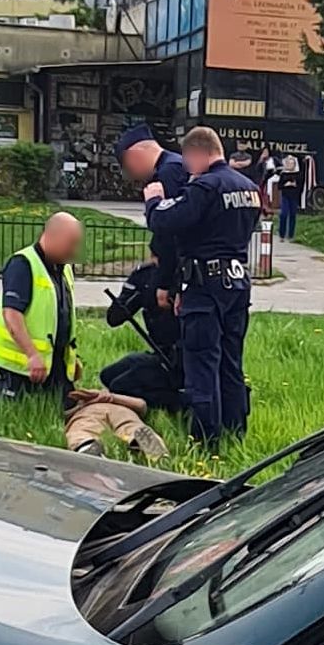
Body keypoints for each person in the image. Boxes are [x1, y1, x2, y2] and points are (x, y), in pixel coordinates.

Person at [144, 126, 261, 445]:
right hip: (237, 284)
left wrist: (154, 202)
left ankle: (206, 441)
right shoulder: (250, 188)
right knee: (231, 363)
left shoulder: (206, 187)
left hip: (205, 288)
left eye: (187, 162)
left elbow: (167, 223)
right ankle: (236, 434)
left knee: (202, 365)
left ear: (196, 153)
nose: (186, 169)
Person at [0, 212, 84, 402]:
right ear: (52, 236)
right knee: (21, 406)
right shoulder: (23, 264)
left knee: (67, 404)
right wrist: (32, 355)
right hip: (22, 363)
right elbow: (11, 314)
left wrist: (72, 359)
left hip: (53, 363)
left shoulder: (64, 268)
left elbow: (61, 318)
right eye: (71, 243)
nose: (74, 251)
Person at [116, 125, 191, 314]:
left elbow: (168, 230)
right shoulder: (174, 165)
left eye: (127, 167)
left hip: (176, 270)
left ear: (134, 154)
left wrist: (164, 283)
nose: (131, 175)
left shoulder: (168, 173)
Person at [101, 258, 184, 412]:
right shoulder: (145, 274)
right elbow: (114, 318)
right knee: (108, 375)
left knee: (119, 387)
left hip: (183, 356)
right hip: (160, 353)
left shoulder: (184, 274)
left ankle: (179, 404)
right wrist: (139, 292)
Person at [64, 388, 169, 459]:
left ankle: (86, 444)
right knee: (132, 426)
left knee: (81, 429)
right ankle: (149, 445)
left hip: (88, 412)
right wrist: (110, 397)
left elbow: (63, 416)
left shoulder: (80, 400)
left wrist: (80, 407)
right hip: (122, 410)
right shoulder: (119, 397)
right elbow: (142, 405)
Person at [276, 154, 303, 241]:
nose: (289, 165)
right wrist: (285, 184)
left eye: (291, 163)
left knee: (292, 215)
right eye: (288, 163)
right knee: (283, 214)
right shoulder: (283, 174)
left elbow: (300, 186)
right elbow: (279, 186)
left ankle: (291, 235)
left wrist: (294, 185)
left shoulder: (298, 174)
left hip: (294, 197)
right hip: (285, 196)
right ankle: (281, 235)